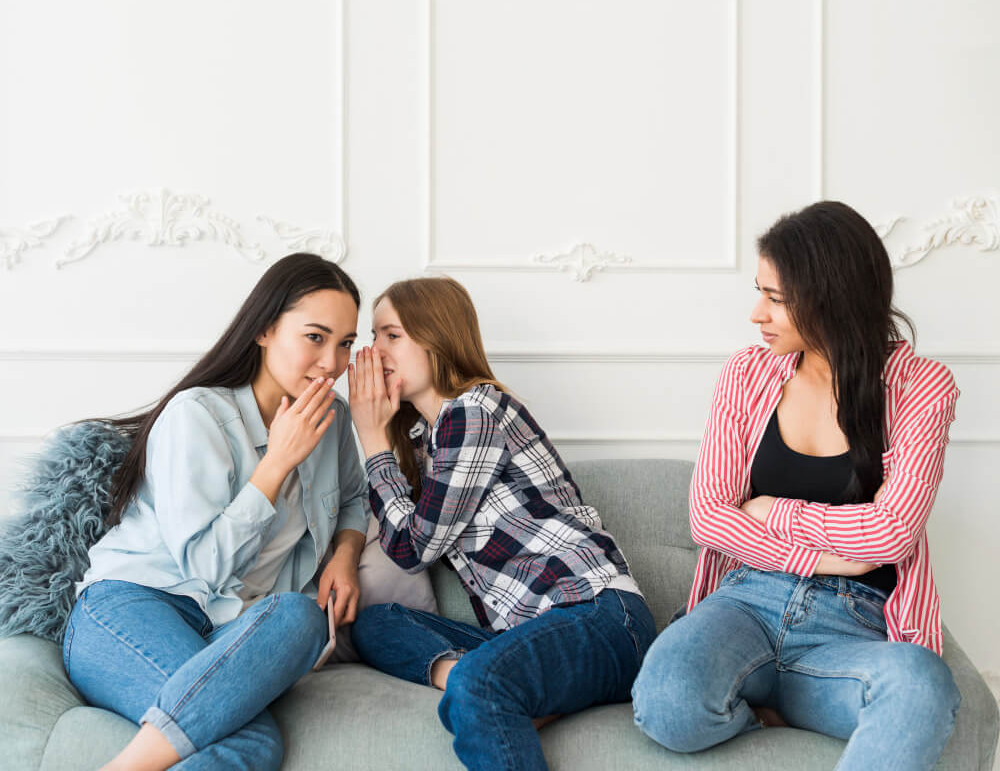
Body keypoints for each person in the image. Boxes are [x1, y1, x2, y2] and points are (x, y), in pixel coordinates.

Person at [631, 200, 962, 769]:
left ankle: (785, 701)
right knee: (666, 700)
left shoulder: (922, 386)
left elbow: (890, 536)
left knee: (922, 687)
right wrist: (829, 559)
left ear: (832, 297)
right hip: (744, 601)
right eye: (760, 291)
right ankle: (755, 711)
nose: (756, 313)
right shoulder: (747, 373)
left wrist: (771, 509)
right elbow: (709, 517)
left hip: (853, 624)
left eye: (775, 298)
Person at [63, 254, 369, 771]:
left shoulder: (331, 417)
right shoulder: (198, 415)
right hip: (133, 606)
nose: (332, 364)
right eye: (315, 338)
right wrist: (275, 465)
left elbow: (356, 498)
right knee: (248, 744)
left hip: (229, 626)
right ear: (266, 330)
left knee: (301, 616)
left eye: (345, 344)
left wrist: (344, 554)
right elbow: (205, 570)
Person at [346, 276, 656, 771]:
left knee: (477, 686)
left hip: (596, 615)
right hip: (530, 633)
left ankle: (486, 685)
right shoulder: (429, 447)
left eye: (391, 334)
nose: (374, 350)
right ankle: (498, 684)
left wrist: (371, 437)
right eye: (373, 335)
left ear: (437, 336)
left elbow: (413, 548)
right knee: (376, 622)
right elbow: (404, 544)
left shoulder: (475, 409)